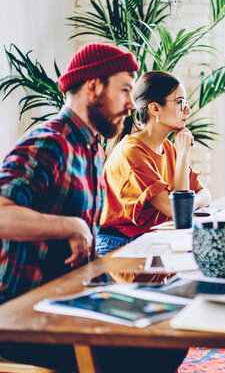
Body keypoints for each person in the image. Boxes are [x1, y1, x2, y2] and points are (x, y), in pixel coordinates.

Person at [0, 43, 186, 372]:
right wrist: (72, 227)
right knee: (158, 350)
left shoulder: (91, 147)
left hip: (72, 301)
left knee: (174, 327)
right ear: (94, 86)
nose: (132, 104)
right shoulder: (49, 141)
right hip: (25, 317)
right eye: (125, 90)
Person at [97, 71, 211, 257]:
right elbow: (175, 210)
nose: (187, 110)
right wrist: (183, 153)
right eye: (180, 102)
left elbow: (205, 194)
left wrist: (191, 203)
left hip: (152, 240)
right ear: (155, 109)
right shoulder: (131, 152)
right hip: (120, 246)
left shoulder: (168, 147)